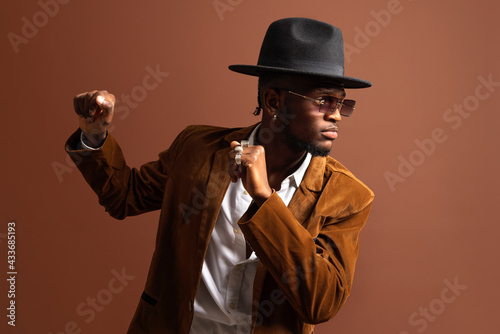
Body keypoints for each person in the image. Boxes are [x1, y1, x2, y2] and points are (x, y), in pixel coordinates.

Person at [66, 17, 374, 334]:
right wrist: (93, 136)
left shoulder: (347, 196)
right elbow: (124, 198)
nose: (336, 114)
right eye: (325, 100)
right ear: (274, 102)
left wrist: (264, 200)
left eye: (342, 103)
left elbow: (321, 303)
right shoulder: (197, 149)